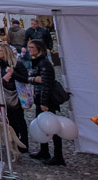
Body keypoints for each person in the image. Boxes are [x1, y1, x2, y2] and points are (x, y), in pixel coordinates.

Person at [27, 37, 65, 165]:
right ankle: (44, 151)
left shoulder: (44, 64)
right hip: (40, 98)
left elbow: (46, 85)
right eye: (29, 47)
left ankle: (58, 156)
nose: (29, 50)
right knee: (41, 125)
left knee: (53, 127)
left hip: (47, 101)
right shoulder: (37, 62)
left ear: (40, 49)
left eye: (32, 47)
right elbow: (31, 78)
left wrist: (44, 103)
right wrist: (33, 79)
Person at [0, 41, 29, 150]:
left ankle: (24, 143)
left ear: (5, 52)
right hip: (5, 94)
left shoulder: (17, 64)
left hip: (16, 94)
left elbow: (25, 79)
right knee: (10, 120)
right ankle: (15, 141)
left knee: (19, 119)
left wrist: (13, 73)